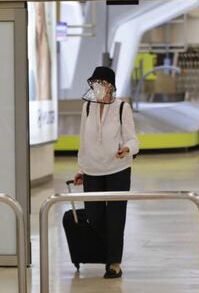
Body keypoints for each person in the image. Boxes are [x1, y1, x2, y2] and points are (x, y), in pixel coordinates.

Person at [73, 66, 139, 279]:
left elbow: (133, 139)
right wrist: (81, 169)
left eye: (99, 83)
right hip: (92, 169)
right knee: (94, 216)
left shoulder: (122, 108)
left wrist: (127, 149)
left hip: (118, 169)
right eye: (93, 83)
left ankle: (114, 263)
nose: (95, 87)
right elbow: (84, 140)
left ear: (109, 85)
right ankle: (107, 252)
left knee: (116, 217)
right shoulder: (87, 108)